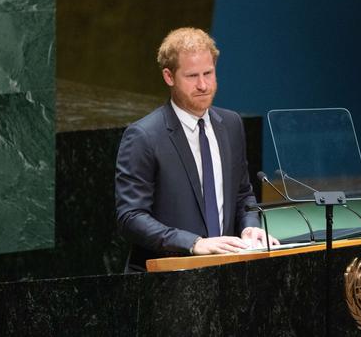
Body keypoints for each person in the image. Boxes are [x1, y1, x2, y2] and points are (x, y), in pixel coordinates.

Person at [115, 27, 279, 272]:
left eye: (208, 73)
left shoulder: (232, 124)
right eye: (192, 76)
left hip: (225, 274)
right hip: (166, 279)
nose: (203, 85)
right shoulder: (144, 136)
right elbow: (131, 217)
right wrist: (193, 243)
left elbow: (243, 194)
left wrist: (250, 227)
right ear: (169, 77)